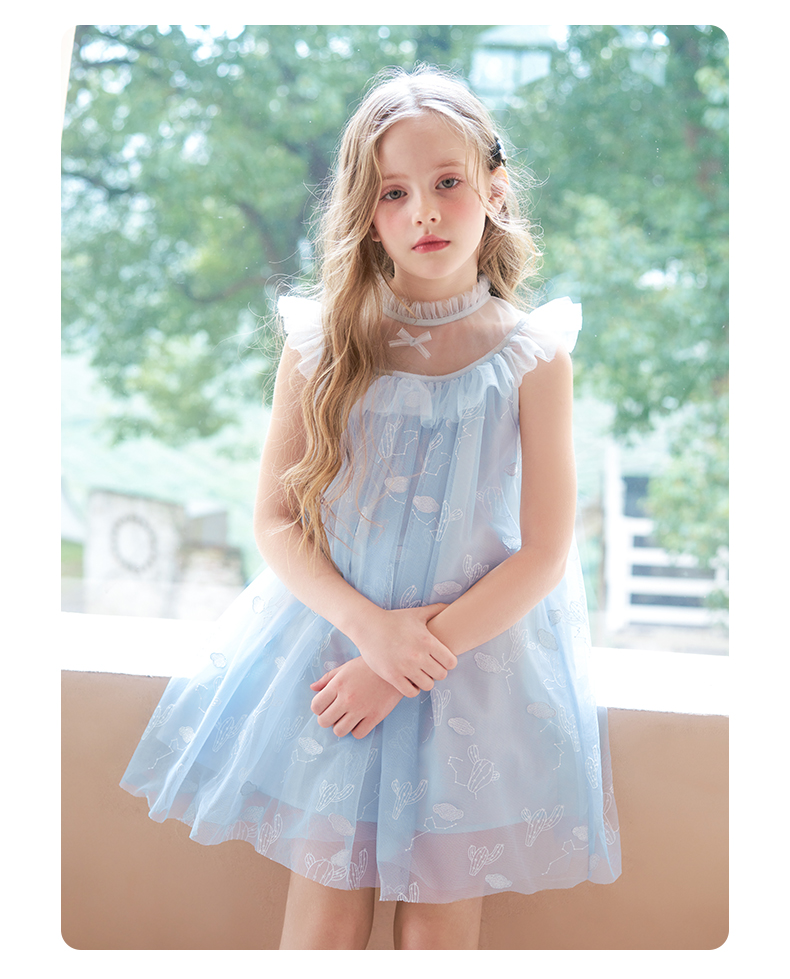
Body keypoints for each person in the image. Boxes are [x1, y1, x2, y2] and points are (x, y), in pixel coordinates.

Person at [120, 65, 621, 950]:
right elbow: (275, 519)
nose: (424, 211)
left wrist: (398, 665)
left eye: (448, 182)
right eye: (395, 192)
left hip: (474, 674)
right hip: (333, 665)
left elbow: (545, 552)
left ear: (494, 190)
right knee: (324, 926)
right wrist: (369, 636)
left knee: (436, 936)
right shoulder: (321, 343)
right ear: (368, 211)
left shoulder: (533, 355)